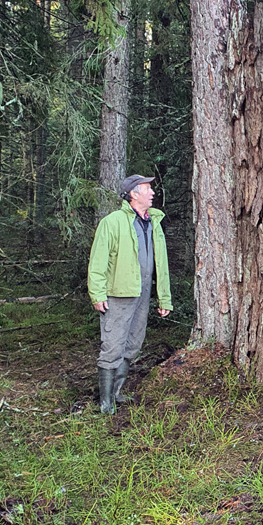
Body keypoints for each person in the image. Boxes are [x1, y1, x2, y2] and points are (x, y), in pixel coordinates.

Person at [87, 174, 172, 414]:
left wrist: (163, 297)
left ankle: (116, 393)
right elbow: (97, 262)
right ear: (134, 193)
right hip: (118, 294)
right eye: (147, 189)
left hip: (142, 294)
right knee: (113, 345)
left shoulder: (153, 222)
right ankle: (105, 403)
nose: (152, 193)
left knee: (133, 344)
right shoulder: (113, 222)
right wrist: (98, 294)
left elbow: (161, 265)